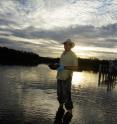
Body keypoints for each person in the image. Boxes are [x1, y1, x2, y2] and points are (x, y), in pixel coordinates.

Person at [56, 39, 78, 118]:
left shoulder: (73, 55)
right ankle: (61, 106)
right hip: (59, 76)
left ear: (70, 46)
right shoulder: (63, 53)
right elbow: (61, 64)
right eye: (64, 44)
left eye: (67, 44)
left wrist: (64, 67)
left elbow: (76, 68)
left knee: (67, 94)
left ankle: (69, 111)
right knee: (59, 93)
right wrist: (57, 66)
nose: (65, 45)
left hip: (67, 78)